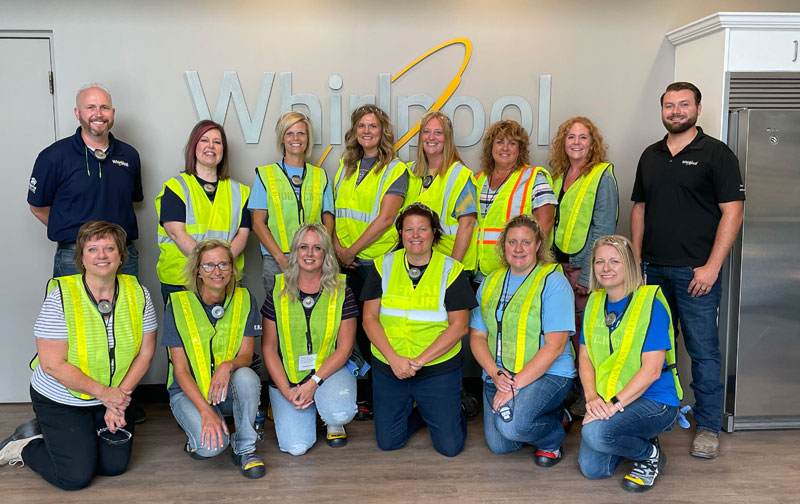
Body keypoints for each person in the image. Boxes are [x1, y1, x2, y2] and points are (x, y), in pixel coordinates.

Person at [631, 82, 744, 459]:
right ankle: (650, 418)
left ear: (697, 108)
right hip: (653, 271)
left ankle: (708, 426)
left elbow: (733, 211)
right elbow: (640, 209)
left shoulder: (717, 154)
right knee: (651, 350)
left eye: (683, 105)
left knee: (703, 351)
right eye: (669, 105)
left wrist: (712, 267)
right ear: (661, 110)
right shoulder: (650, 155)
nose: (675, 111)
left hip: (697, 274)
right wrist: (637, 263)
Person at [0, 221, 156, 490]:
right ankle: (26, 444)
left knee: (113, 467)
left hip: (115, 395)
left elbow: (145, 352)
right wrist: (105, 394)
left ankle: (74, 439)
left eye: (109, 248)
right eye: (93, 249)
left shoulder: (139, 293)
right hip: (62, 398)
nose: (102, 255)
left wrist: (115, 401)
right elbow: (52, 364)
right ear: (81, 258)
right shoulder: (61, 295)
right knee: (75, 477)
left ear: (121, 256)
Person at [361, 203, 477, 457]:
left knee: (450, 448)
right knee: (389, 443)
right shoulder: (382, 266)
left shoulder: (451, 269)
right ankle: (425, 413)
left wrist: (418, 362)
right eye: (409, 229)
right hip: (390, 366)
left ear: (434, 232)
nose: (415, 235)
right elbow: (369, 318)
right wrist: (395, 360)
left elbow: (459, 327)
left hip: (436, 368)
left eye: (422, 229)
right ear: (400, 233)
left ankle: (451, 407)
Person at [578, 235, 682, 492]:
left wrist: (612, 406)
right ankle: (634, 434)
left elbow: (652, 370)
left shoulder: (650, 303)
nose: (606, 268)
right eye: (599, 261)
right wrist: (591, 399)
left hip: (654, 400)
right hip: (609, 398)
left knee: (595, 434)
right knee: (594, 469)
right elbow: (585, 357)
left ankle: (649, 454)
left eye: (614, 261)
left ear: (629, 266)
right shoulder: (593, 302)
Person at [470, 215, 575, 466]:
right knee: (501, 444)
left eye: (526, 243)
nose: (518, 249)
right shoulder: (490, 281)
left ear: (538, 245)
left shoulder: (553, 281)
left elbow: (555, 346)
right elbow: (477, 336)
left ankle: (552, 435)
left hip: (549, 374)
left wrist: (515, 386)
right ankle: (544, 414)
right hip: (501, 374)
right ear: (503, 244)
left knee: (513, 426)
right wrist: (495, 373)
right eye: (512, 242)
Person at [162, 240, 264, 479]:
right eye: (208, 265)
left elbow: (247, 356)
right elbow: (180, 371)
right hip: (189, 392)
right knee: (212, 447)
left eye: (223, 264)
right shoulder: (178, 305)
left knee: (247, 376)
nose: (216, 272)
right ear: (197, 270)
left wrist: (227, 366)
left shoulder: (245, 299)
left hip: (225, 389)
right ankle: (200, 436)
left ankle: (245, 448)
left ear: (232, 268)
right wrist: (206, 411)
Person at [333, 104, 411, 415]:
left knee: (377, 331)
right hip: (344, 262)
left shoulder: (395, 169)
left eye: (373, 126)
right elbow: (337, 213)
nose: (367, 131)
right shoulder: (345, 166)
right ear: (354, 132)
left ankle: (387, 397)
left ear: (383, 132)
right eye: (362, 126)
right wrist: (339, 248)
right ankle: (366, 394)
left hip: (375, 264)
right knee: (351, 332)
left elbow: (386, 218)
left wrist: (351, 251)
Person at [28, 83, 143, 278]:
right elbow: (38, 207)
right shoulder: (54, 157)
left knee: (127, 309)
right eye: (90, 107)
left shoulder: (129, 155)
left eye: (104, 107)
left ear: (112, 112)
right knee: (73, 309)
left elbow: (131, 200)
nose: (98, 114)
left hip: (123, 256)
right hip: (73, 256)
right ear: (77, 112)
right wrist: (80, 236)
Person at [262, 223, 358, 455]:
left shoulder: (342, 290)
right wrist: (286, 390)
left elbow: (344, 349)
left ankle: (330, 417)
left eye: (317, 248)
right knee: (296, 447)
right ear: (295, 252)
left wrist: (313, 382)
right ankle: (308, 406)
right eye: (303, 247)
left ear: (326, 253)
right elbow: (269, 349)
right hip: (289, 377)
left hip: (328, 372)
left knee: (340, 412)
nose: (309, 253)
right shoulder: (277, 290)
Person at [155, 120, 251, 304]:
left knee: (226, 333)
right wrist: (210, 267)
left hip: (225, 280)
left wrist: (219, 269)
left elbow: (243, 234)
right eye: (204, 140)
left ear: (223, 150)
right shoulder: (176, 187)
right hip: (181, 281)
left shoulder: (240, 191)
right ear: (194, 146)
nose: (211, 146)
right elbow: (176, 234)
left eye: (217, 142)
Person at [548, 117, 618, 350]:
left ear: (592, 143)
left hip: (581, 268)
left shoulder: (602, 177)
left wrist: (589, 273)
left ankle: (583, 384)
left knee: (583, 329)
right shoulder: (558, 175)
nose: (576, 142)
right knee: (558, 326)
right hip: (557, 266)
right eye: (571, 137)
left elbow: (604, 229)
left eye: (583, 137)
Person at [250, 112, 334, 293]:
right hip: (276, 259)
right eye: (289, 133)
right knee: (278, 316)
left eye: (301, 133)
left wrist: (321, 251)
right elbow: (258, 223)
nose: (296, 138)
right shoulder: (266, 175)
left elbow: (328, 220)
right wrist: (281, 258)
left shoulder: (321, 176)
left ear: (308, 138)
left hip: (314, 258)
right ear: (282, 137)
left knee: (314, 313)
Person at [475, 120, 556, 285]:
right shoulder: (477, 179)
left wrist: (529, 267)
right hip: (478, 272)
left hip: (516, 271)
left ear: (520, 150)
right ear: (490, 147)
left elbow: (545, 224)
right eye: (499, 142)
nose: (505, 148)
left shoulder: (534, 178)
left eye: (512, 143)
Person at [407, 110, 478, 271]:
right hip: (422, 262)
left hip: (452, 263)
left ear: (447, 139)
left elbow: (467, 224)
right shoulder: (411, 171)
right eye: (427, 132)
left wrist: (452, 269)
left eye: (438, 132)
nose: (431, 137)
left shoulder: (459, 175)